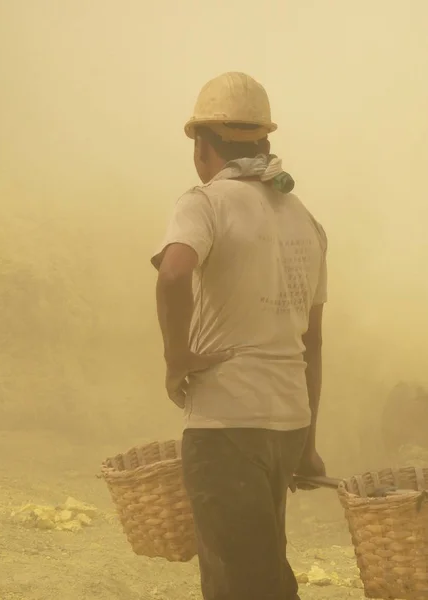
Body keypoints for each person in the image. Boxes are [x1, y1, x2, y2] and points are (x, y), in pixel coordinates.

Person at [151, 71, 328, 600]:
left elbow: (173, 273)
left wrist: (177, 360)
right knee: (254, 569)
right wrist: (309, 445)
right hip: (288, 422)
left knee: (248, 583)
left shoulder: (204, 202)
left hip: (226, 425)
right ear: (264, 140)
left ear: (203, 145)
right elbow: (311, 344)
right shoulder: (307, 220)